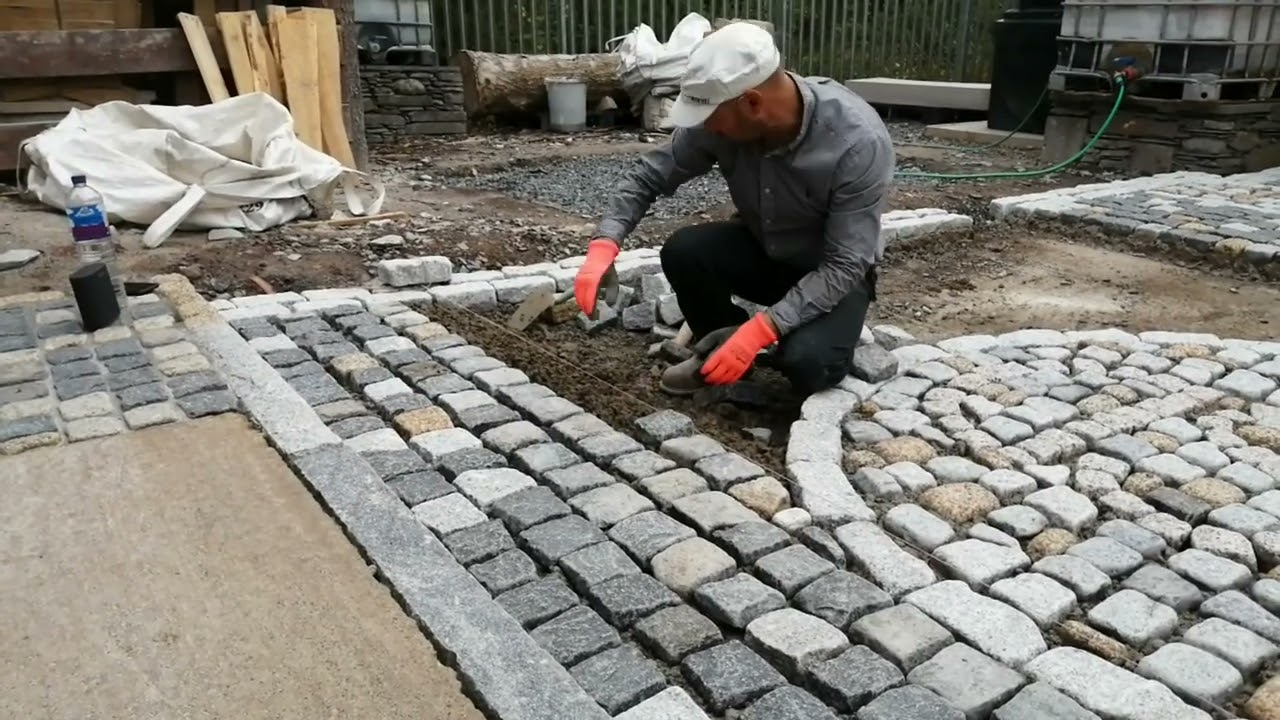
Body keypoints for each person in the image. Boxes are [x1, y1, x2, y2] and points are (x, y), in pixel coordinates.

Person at [573, 21, 895, 397]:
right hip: (766, 250)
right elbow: (649, 176)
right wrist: (604, 244)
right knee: (685, 252)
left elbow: (845, 265)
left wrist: (762, 330)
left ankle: (773, 343)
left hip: (831, 272)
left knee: (808, 363)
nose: (704, 126)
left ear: (753, 102)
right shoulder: (721, 118)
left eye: (709, 116)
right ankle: (720, 343)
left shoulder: (857, 143)